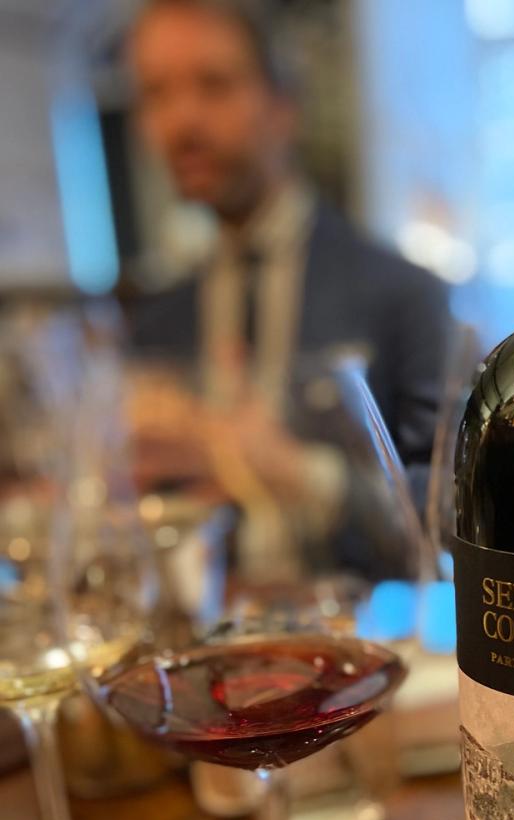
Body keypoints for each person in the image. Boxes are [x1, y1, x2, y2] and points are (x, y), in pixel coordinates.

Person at [125, 0, 450, 505]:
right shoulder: (154, 323)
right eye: (156, 93)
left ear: (284, 105)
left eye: (214, 84)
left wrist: (302, 477)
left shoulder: (405, 295)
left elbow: (452, 505)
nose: (181, 121)